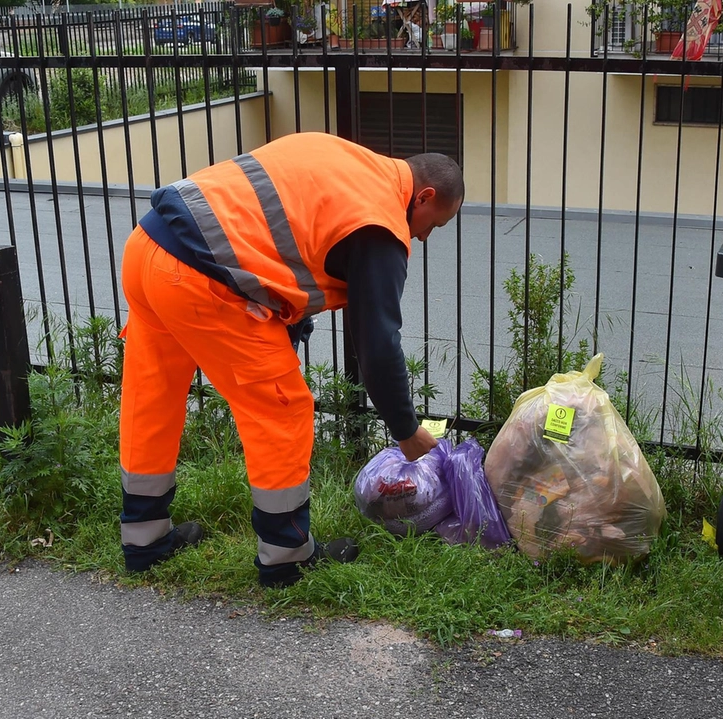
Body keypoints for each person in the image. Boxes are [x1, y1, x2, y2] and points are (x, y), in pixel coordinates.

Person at [117, 131, 465, 588]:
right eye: (432, 225)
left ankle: (144, 539)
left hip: (148, 249)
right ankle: (287, 555)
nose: (423, 237)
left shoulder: (343, 157)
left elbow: (278, 241)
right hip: (203, 281)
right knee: (282, 410)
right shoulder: (379, 223)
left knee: (153, 395)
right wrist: (406, 431)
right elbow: (378, 343)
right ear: (424, 196)